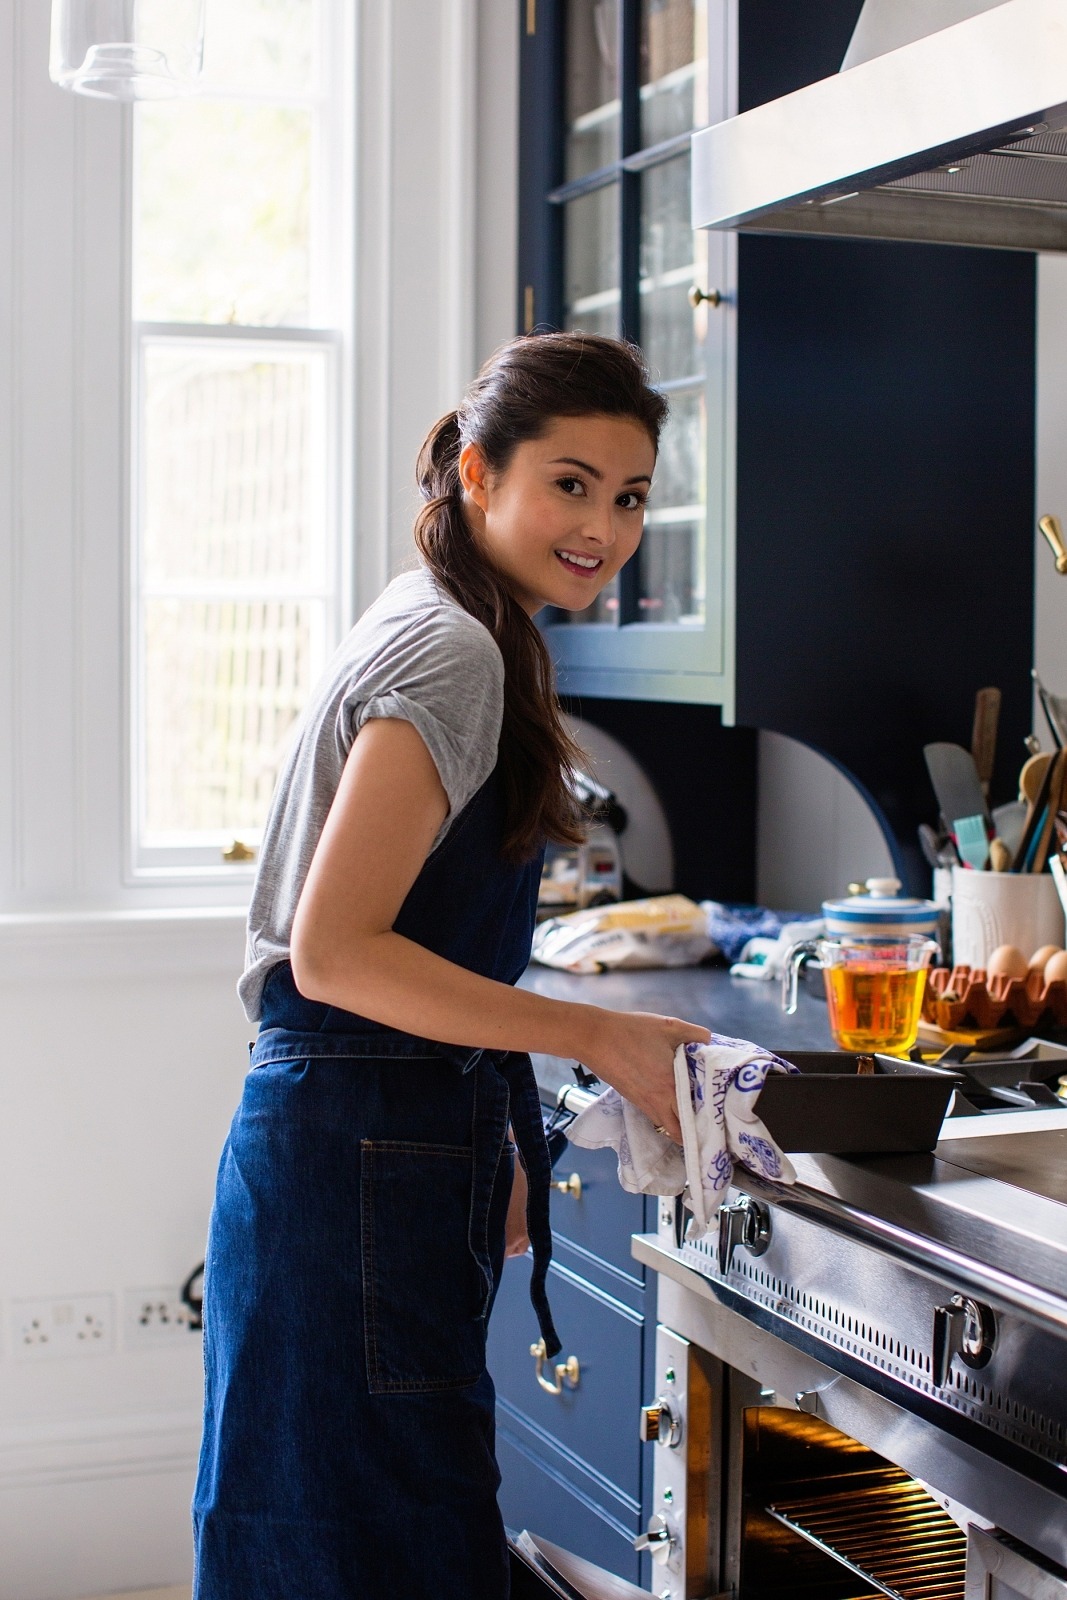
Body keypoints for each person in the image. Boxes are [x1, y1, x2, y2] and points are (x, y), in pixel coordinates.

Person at [191, 331, 711, 1599]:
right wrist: (586, 1037)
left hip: (369, 1139)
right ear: (478, 473)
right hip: (359, 1141)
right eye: (570, 482)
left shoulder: (457, 620)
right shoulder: (457, 650)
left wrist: (487, 1137)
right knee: (369, 1544)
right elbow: (336, 949)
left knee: (334, 1530)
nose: (603, 523)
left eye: (631, 494)